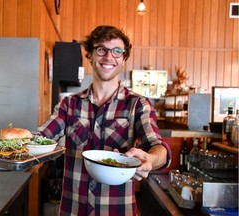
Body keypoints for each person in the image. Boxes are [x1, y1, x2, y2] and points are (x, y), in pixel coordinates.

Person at [37, 25, 171, 216]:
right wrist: (14, 145)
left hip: (118, 210)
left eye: (117, 51)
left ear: (124, 59)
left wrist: (150, 159)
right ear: (90, 55)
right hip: (73, 210)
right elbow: (42, 136)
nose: (109, 57)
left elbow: (158, 147)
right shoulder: (69, 105)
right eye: (101, 49)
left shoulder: (138, 105)